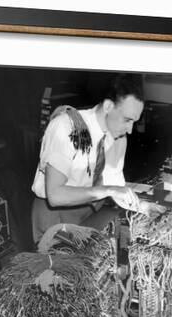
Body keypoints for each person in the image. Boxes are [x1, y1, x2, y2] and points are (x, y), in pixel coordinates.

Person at [31, 74, 144, 243]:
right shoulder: (67, 127)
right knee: (62, 267)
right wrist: (108, 190)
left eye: (134, 122)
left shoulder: (119, 138)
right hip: (55, 216)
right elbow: (55, 195)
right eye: (127, 120)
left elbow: (115, 185)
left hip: (89, 211)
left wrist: (143, 207)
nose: (130, 130)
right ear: (108, 106)